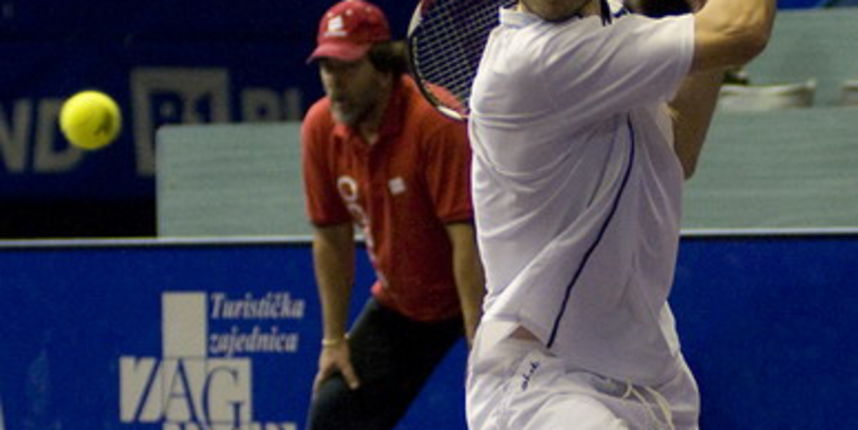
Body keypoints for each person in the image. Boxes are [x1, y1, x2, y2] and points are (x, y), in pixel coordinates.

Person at [465, 0, 775, 429]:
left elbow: (677, 145)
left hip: (651, 377)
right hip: (543, 386)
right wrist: (712, 30)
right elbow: (742, 29)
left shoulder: (610, 30)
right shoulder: (532, 61)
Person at [300, 1, 485, 429]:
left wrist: (481, 346)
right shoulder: (319, 127)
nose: (334, 83)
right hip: (406, 304)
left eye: (347, 67)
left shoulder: (434, 120)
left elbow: (467, 240)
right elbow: (331, 236)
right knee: (334, 414)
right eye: (326, 68)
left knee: (507, 412)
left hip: (484, 295)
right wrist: (334, 340)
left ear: (383, 69)